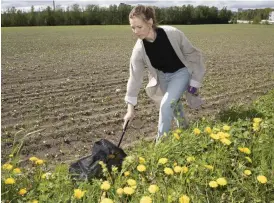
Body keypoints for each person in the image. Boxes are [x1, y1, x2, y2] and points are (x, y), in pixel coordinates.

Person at [123, 5, 206, 141]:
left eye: (139, 27)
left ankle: (160, 145)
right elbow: (134, 78)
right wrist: (130, 109)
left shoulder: (172, 33)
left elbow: (192, 54)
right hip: (162, 77)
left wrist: (195, 81)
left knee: (166, 105)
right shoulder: (139, 49)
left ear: (150, 22)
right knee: (175, 106)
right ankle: (185, 130)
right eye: (133, 27)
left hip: (180, 72)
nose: (136, 32)